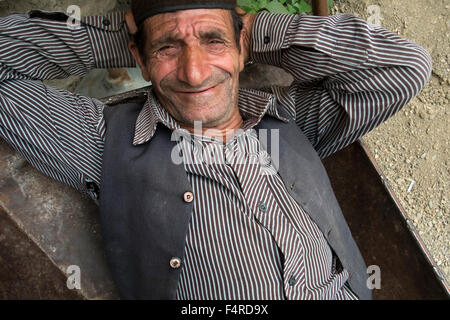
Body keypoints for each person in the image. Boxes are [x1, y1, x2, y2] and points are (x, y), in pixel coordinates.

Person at [0, 0, 431, 300]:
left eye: (214, 41)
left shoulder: (290, 121)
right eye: (168, 48)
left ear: (242, 47)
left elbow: (404, 66)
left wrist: (259, 30)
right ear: (142, 59)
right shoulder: (104, 142)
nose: (193, 71)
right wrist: (125, 38)